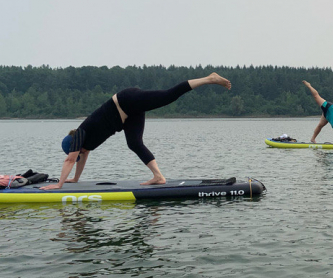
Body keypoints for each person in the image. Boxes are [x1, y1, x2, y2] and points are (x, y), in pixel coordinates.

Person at [41, 72, 231, 190]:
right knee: (134, 143)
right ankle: (159, 177)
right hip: (128, 115)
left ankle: (209, 79)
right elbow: (81, 158)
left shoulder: (80, 133)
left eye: (77, 152)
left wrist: (59, 184)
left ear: (74, 144)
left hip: (126, 100)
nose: (80, 155)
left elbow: (70, 159)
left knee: (167, 96)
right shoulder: (86, 143)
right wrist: (74, 178)